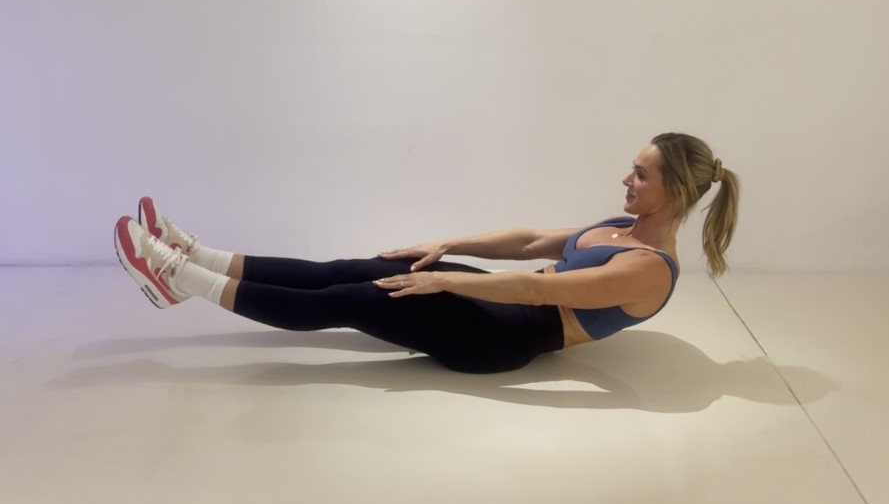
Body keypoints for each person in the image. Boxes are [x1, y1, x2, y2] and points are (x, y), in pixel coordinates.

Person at [114, 132, 739, 373]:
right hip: (497, 302)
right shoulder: (618, 228)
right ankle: (199, 254)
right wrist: (447, 246)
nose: (625, 181)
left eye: (640, 175)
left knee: (353, 299)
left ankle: (179, 280)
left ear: (675, 191)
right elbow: (528, 246)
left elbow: (536, 289)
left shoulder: (647, 271)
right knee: (357, 267)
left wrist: (447, 283)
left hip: (502, 337)